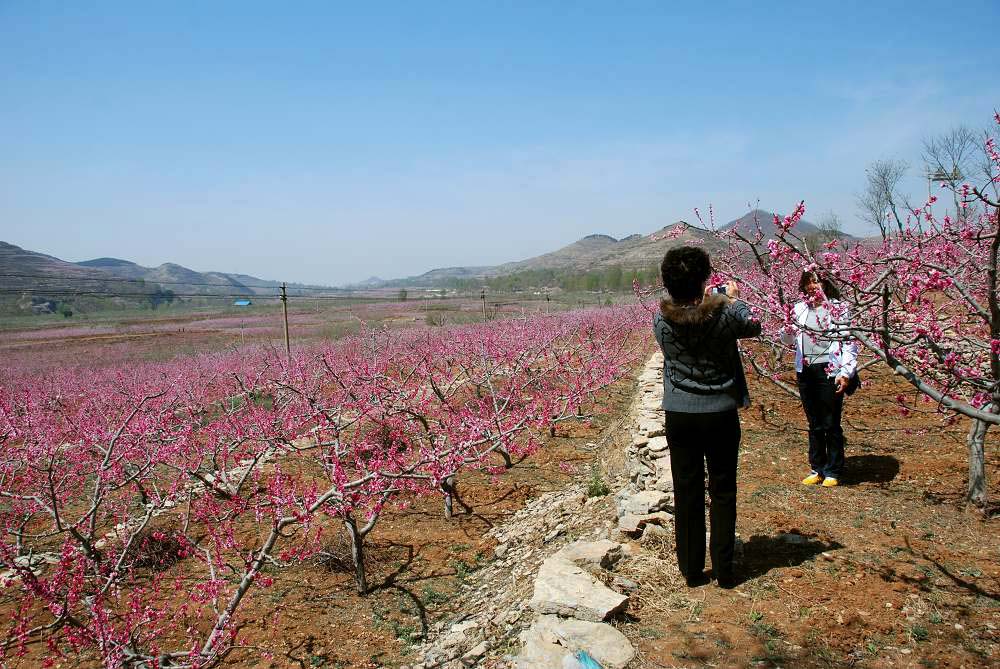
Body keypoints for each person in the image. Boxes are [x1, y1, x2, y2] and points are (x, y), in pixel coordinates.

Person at [653, 246, 761, 589]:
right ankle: (725, 569)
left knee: (686, 488)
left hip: (680, 414)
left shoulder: (661, 319)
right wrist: (732, 298)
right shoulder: (725, 315)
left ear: (668, 282)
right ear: (704, 279)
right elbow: (753, 324)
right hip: (719, 413)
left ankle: (691, 568)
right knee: (723, 487)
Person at [780, 270, 858, 488]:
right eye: (809, 282)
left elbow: (848, 341)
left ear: (826, 283)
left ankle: (833, 470)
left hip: (830, 368)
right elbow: (787, 339)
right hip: (805, 369)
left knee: (831, 421)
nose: (813, 286)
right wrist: (787, 325)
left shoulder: (838, 309)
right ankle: (817, 468)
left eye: (817, 281)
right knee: (814, 422)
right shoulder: (799, 308)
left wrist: (845, 372)